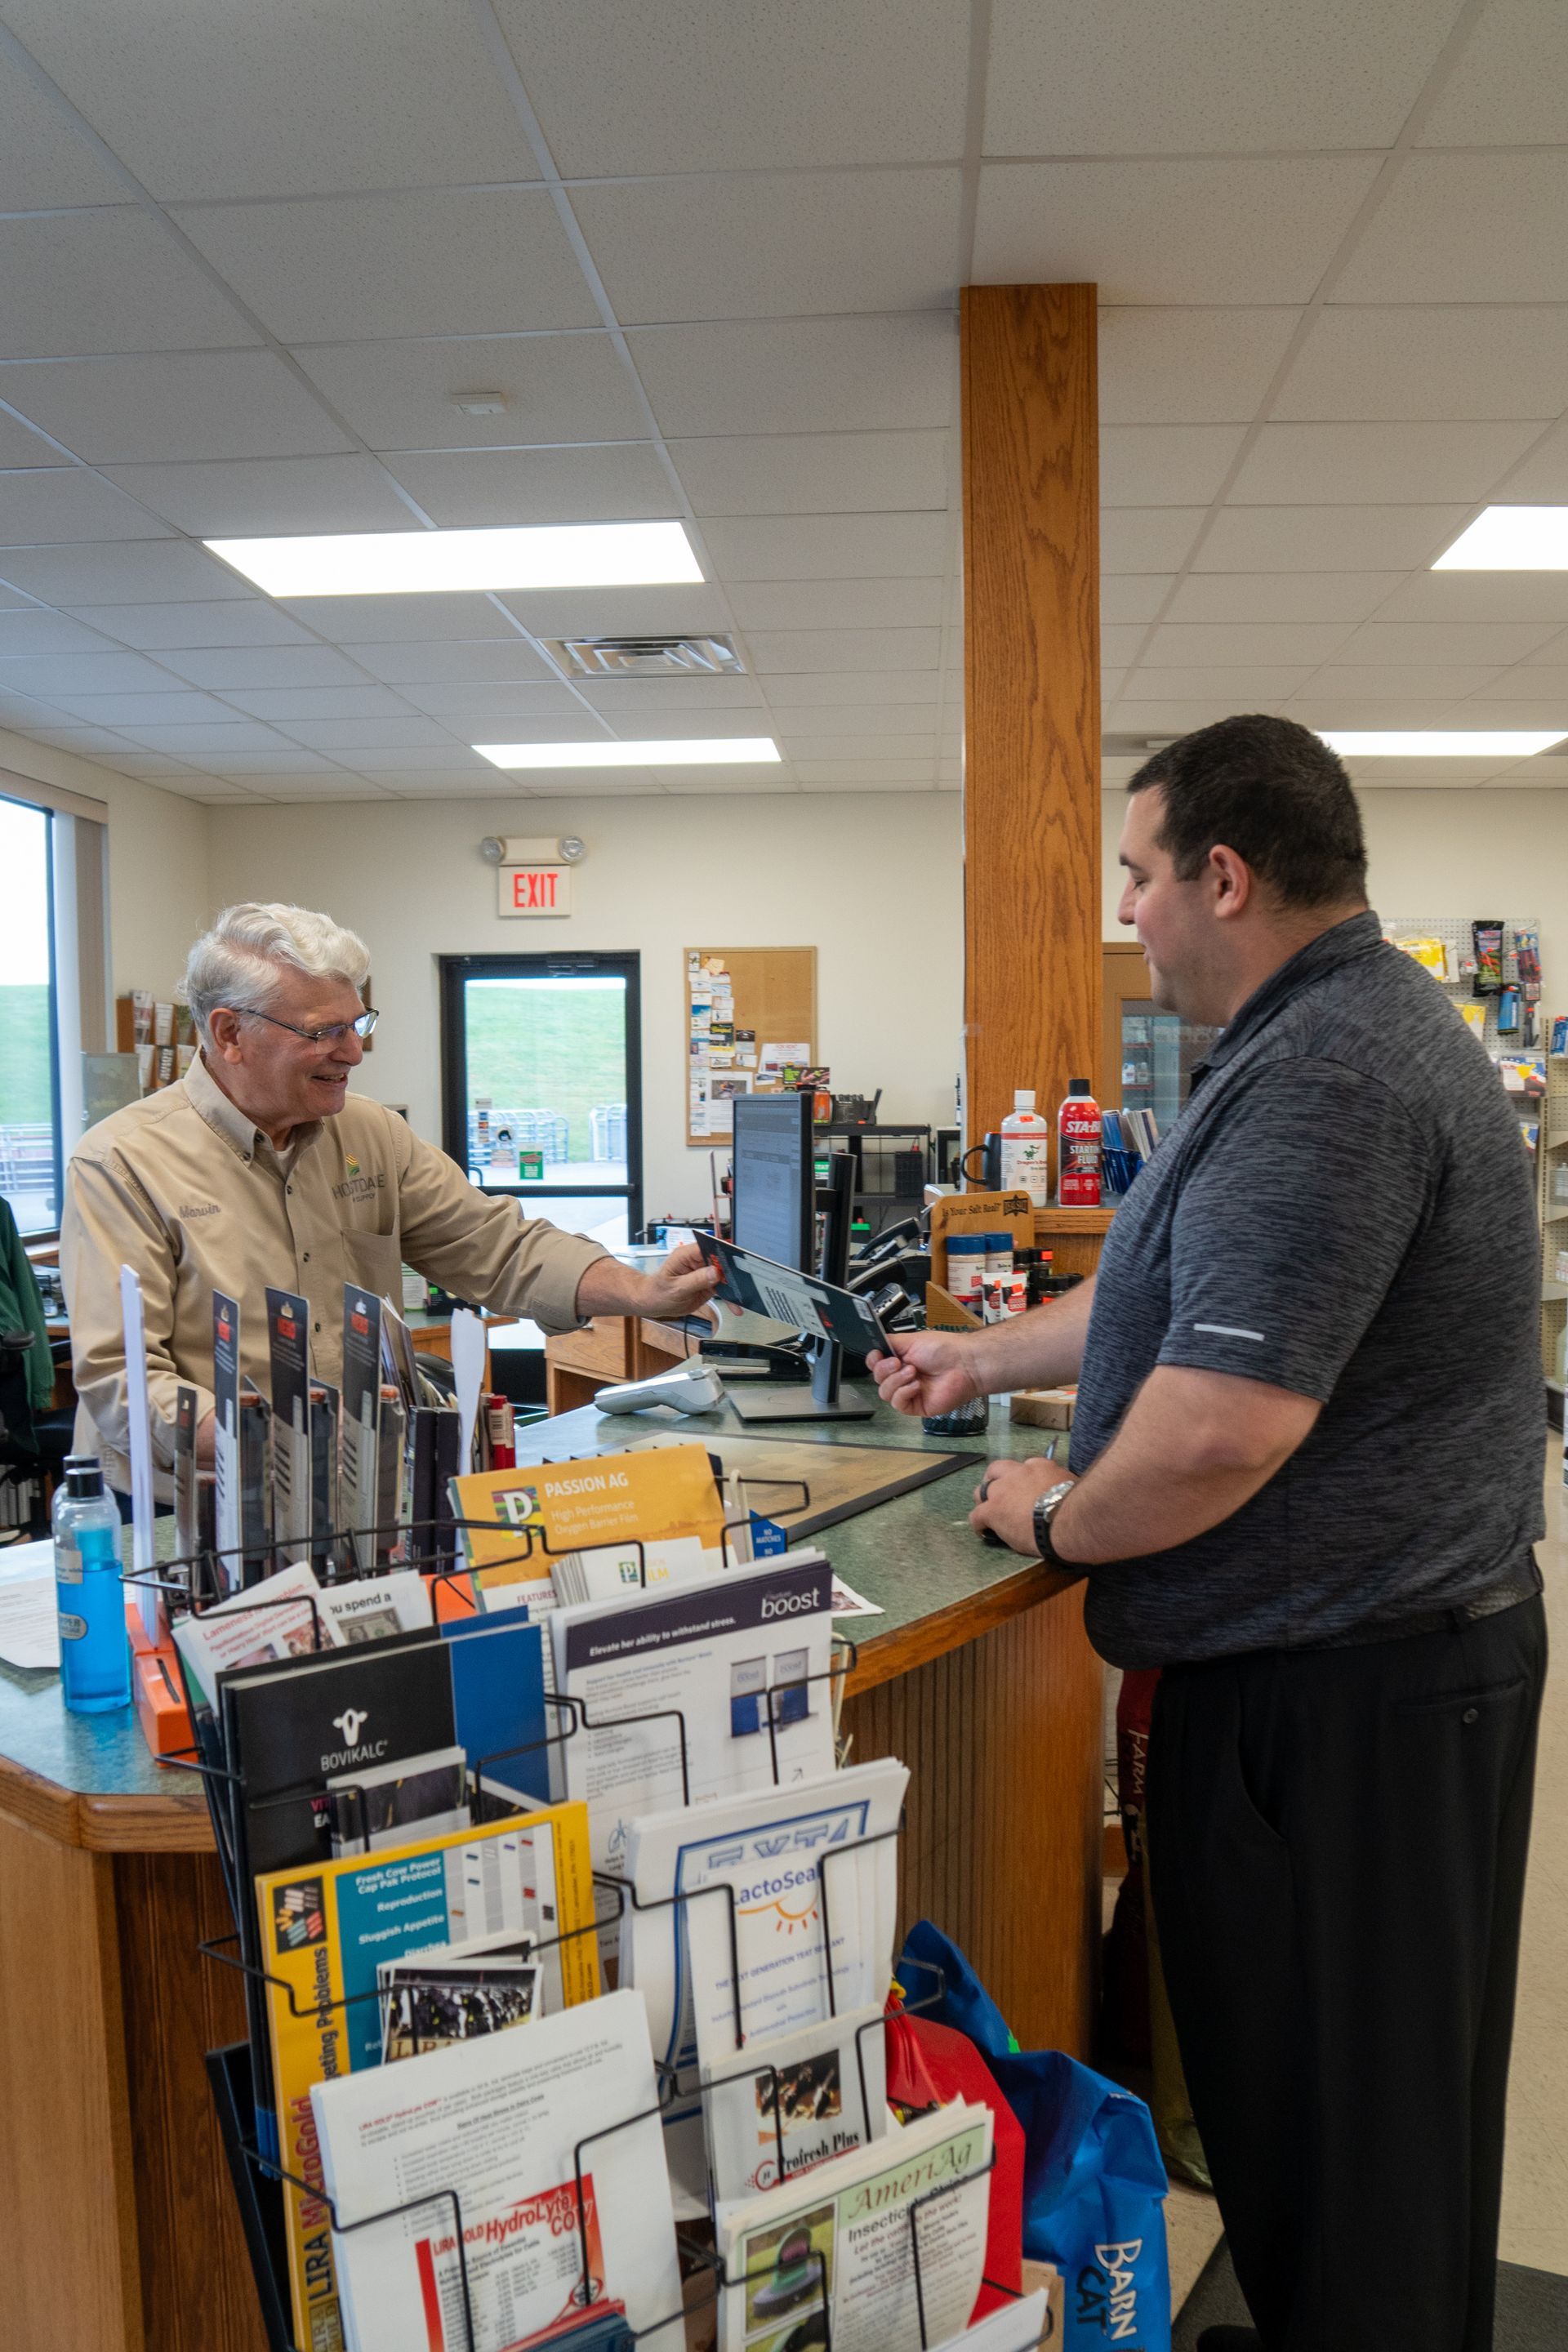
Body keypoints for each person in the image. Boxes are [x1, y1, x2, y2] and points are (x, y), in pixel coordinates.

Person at [871, 715, 1547, 2352]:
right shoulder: (1313, 1037)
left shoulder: (1327, 1072)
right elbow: (1178, 1300)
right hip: (1363, 1678)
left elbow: (1231, 1419)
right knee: (1350, 2149)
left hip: (1345, 1705)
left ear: (1224, 876)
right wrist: (987, 1353)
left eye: (1140, 873)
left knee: (1347, 2165)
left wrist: (1065, 1515)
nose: (1131, 908)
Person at [60, 902, 718, 1500]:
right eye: (324, 1032)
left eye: (357, 1025)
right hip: (194, 1504)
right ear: (230, 1033)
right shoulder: (123, 1163)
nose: (353, 1052)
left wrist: (639, 1294)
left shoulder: (369, 1134)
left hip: (349, 1487)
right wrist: (279, 1435)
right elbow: (122, 1380)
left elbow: (497, 1245)